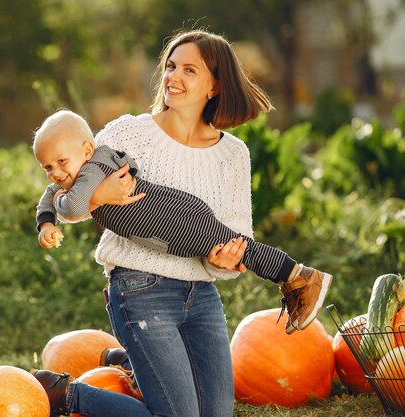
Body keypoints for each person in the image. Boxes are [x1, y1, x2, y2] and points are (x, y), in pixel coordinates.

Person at [30, 29, 332, 417]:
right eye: (171, 66)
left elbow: (238, 240)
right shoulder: (128, 133)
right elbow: (72, 186)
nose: (174, 76)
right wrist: (72, 208)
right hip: (140, 288)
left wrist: (226, 263)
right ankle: (68, 394)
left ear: (215, 84)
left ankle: (135, 367)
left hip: (201, 296)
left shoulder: (233, 155)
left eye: (189, 69)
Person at [32, 109, 332, 336]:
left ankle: (299, 276)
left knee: (242, 249)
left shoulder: (96, 165)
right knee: (238, 248)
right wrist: (46, 223)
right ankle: (295, 275)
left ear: (85, 150)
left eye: (61, 162)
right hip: (168, 226)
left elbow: (70, 207)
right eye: (47, 167)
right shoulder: (76, 173)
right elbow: (51, 196)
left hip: (176, 219)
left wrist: (60, 205)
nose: (56, 173)